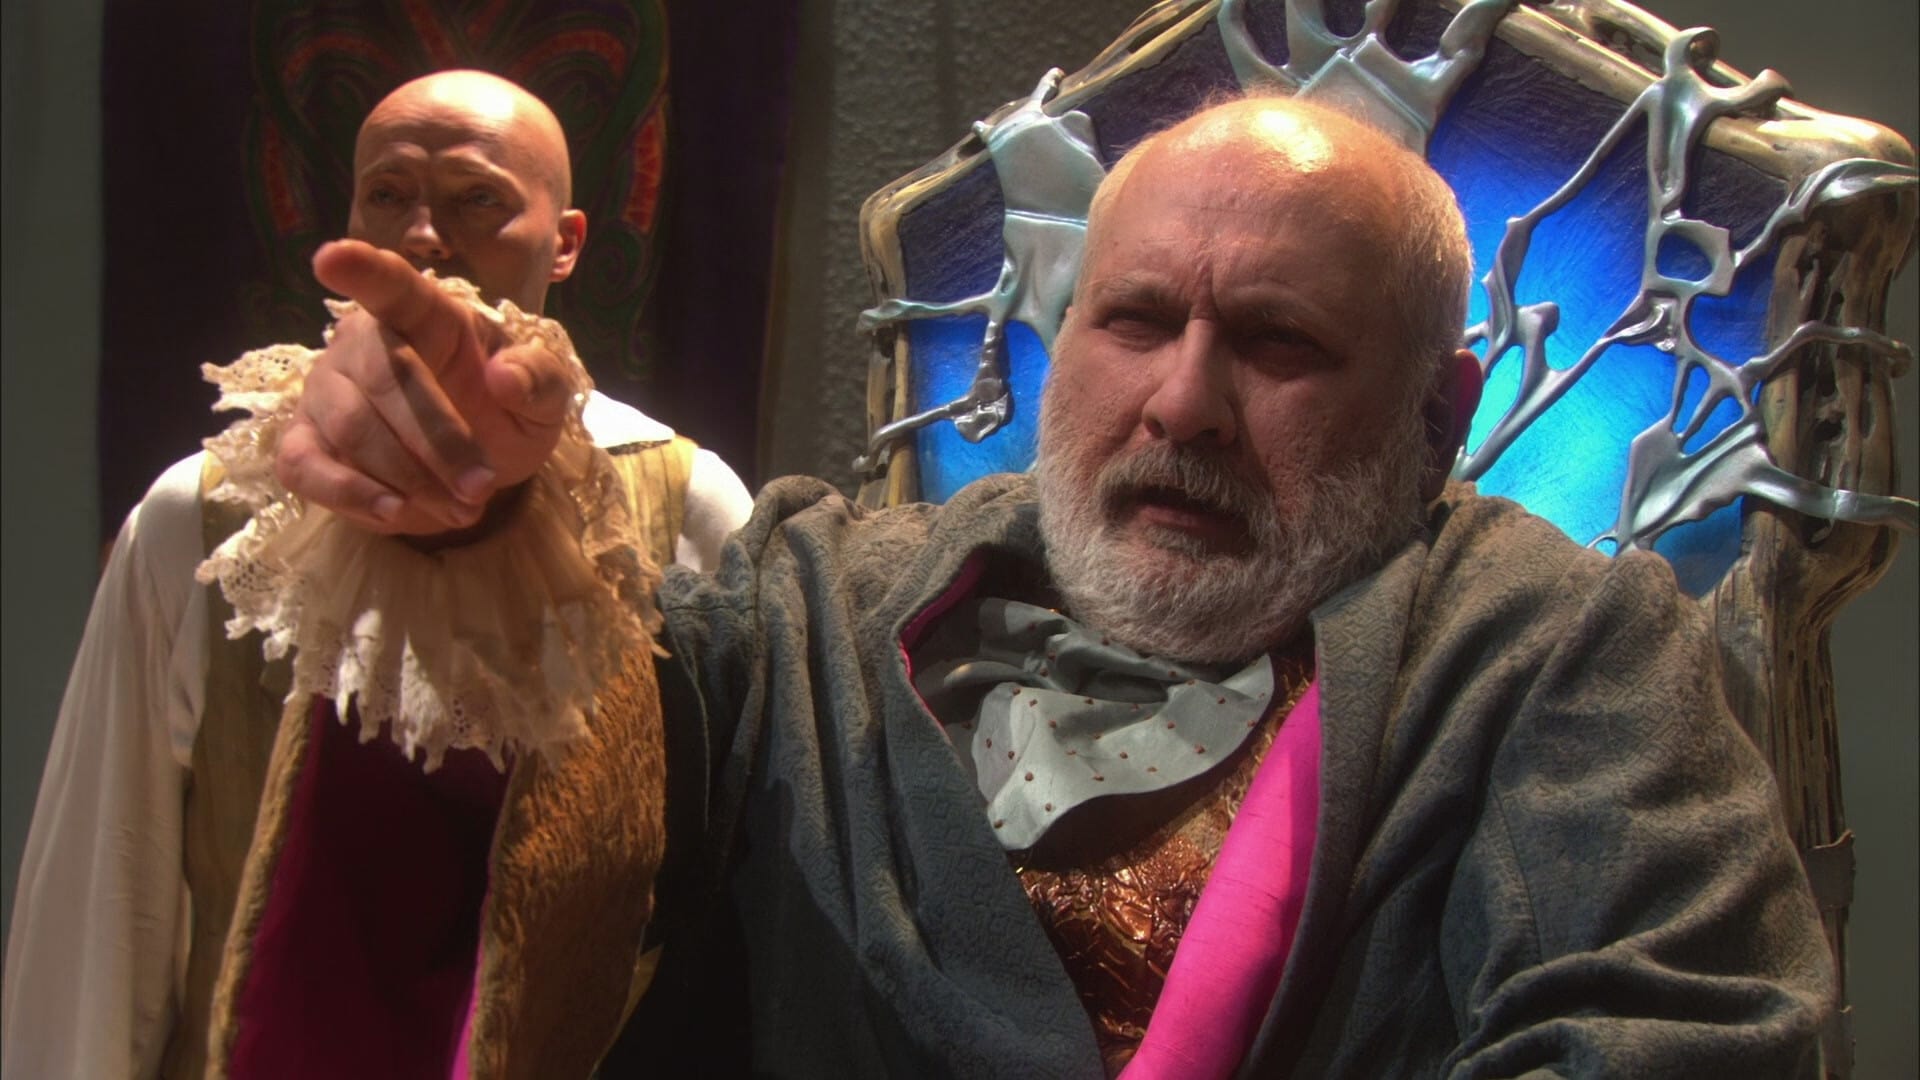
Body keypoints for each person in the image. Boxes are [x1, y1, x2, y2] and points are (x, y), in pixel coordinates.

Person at [84, 94, 1840, 1076]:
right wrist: (469, 529)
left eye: (1279, 344)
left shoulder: (1561, 652)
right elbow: (554, 802)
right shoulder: (812, 598)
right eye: (1135, 320)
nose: (1183, 404)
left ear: (1440, 413)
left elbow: (1680, 1046)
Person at [1, 70, 753, 1080]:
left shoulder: (687, 505)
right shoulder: (207, 516)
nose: (424, 236)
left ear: (566, 241)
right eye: (388, 195)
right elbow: (107, 885)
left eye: (477, 199)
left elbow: (728, 906)